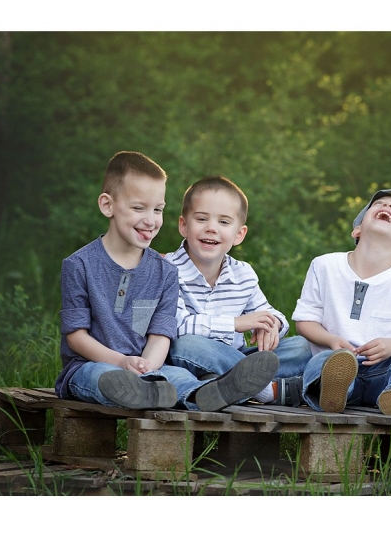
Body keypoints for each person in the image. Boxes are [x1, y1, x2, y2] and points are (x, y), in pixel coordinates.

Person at [54, 152, 278, 413]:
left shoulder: (165, 271)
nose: (150, 220)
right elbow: (76, 337)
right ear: (108, 205)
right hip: (91, 363)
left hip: (150, 365)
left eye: (158, 210)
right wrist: (122, 361)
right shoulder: (80, 264)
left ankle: (200, 395)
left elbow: (160, 333)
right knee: (100, 375)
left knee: (179, 379)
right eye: (139, 208)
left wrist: (147, 365)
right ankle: (140, 391)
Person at [292, 186, 391, 415]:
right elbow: (305, 322)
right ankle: (334, 392)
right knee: (324, 361)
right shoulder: (325, 265)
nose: (387, 206)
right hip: (335, 364)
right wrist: (331, 340)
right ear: (357, 230)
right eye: (379, 204)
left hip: (381, 373)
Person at [164, 176, 311, 406]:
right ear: (184, 225)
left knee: (301, 347)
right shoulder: (168, 269)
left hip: (236, 358)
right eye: (202, 219)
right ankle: (265, 391)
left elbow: (270, 313)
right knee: (187, 345)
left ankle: (223, 383)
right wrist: (236, 323)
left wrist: (272, 325)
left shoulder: (243, 273)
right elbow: (177, 326)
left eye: (224, 222)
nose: (211, 228)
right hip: (190, 356)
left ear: (239, 234)